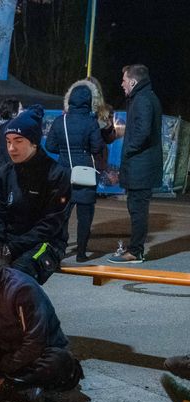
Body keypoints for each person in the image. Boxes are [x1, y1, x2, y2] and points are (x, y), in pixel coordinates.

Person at [0, 233, 83, 400]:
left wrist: (6, 365)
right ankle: (18, 386)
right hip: (7, 353)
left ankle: (10, 385)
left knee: (59, 361)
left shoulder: (20, 289)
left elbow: (36, 342)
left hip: (39, 354)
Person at [0, 105, 71, 284]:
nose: (11, 148)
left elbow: (51, 224)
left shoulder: (57, 175)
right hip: (8, 240)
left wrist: (12, 248)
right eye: (8, 141)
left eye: (18, 141)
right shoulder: (5, 173)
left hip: (46, 243)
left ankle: (26, 312)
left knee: (16, 278)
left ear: (34, 142)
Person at [45, 81, 104, 262]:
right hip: (85, 173)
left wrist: (64, 153)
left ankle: (59, 251)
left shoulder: (59, 121)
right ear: (88, 101)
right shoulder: (91, 122)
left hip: (64, 174)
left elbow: (50, 145)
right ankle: (81, 253)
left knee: (62, 215)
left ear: (69, 100)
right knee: (84, 217)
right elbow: (96, 148)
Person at [110, 64, 163, 264]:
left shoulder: (142, 99)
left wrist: (128, 150)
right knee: (137, 209)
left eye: (124, 80)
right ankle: (135, 250)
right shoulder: (146, 97)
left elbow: (142, 132)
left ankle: (135, 252)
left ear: (133, 81)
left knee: (138, 210)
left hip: (141, 167)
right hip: (142, 166)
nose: (122, 84)